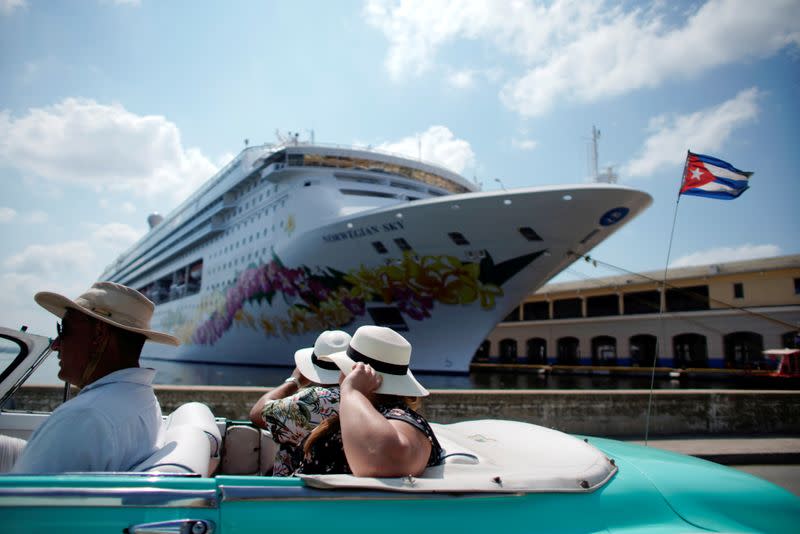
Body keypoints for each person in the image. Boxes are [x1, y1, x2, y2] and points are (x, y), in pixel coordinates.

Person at [11, 282, 179, 473]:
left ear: (99, 334)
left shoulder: (83, 418)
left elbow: (17, 500)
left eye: (64, 330)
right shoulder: (142, 399)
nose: (55, 345)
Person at [296, 325, 442, 477]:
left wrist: (352, 390)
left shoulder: (400, 418)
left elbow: (384, 461)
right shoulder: (391, 414)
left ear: (354, 374)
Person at [249, 330, 351, 475]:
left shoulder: (313, 400)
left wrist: (294, 381)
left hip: (297, 488)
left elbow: (257, 413)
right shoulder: (364, 398)